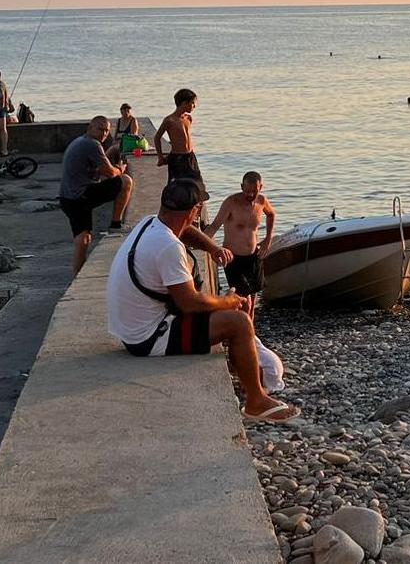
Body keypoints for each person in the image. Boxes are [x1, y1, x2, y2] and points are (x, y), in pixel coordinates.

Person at [106, 178, 299, 424]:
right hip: (148, 339)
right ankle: (256, 401)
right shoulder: (168, 247)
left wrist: (214, 249)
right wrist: (228, 301)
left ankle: (242, 370)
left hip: (132, 328)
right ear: (193, 212)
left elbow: (185, 230)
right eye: (198, 209)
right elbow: (190, 303)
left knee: (222, 313)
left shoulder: (151, 224)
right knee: (239, 323)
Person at [59, 116, 134, 274]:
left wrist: (110, 156)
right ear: (90, 128)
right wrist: (121, 167)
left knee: (83, 239)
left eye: (107, 130)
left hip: (67, 198)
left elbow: (98, 167)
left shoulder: (80, 141)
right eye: (100, 129)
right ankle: (115, 225)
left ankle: (77, 274)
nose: (104, 133)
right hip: (80, 196)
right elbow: (110, 172)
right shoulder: (92, 144)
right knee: (125, 181)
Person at [205, 171, 276, 322]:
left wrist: (268, 238)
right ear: (241, 186)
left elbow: (271, 214)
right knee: (245, 302)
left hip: (254, 256)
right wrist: (202, 243)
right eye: (247, 190)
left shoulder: (261, 201)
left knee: (253, 298)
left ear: (260, 187)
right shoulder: (232, 202)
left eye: (254, 191)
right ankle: (238, 331)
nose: (250, 194)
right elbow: (215, 225)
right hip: (233, 258)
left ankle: (249, 334)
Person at [154, 88, 206, 194]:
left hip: (190, 156)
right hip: (177, 157)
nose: (194, 106)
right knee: (175, 186)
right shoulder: (170, 120)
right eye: (192, 103)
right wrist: (160, 157)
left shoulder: (188, 118)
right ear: (183, 103)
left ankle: (197, 207)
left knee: (198, 184)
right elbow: (157, 137)